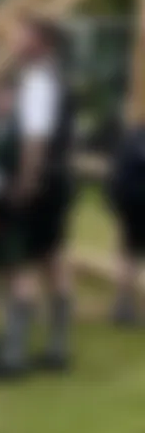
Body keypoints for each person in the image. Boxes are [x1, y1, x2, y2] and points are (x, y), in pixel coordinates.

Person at [0, 19, 76, 374]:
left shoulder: (38, 80)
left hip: (39, 180)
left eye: (23, 36)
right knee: (52, 259)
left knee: (20, 260)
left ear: (43, 43)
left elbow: (35, 138)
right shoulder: (54, 77)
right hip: (57, 179)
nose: (16, 41)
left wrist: (26, 181)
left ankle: (16, 350)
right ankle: (56, 345)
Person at [106, 120, 145, 326]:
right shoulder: (134, 138)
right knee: (131, 256)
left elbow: (117, 175)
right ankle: (126, 306)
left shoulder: (133, 136)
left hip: (129, 204)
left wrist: (115, 205)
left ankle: (122, 305)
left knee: (128, 254)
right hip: (136, 203)